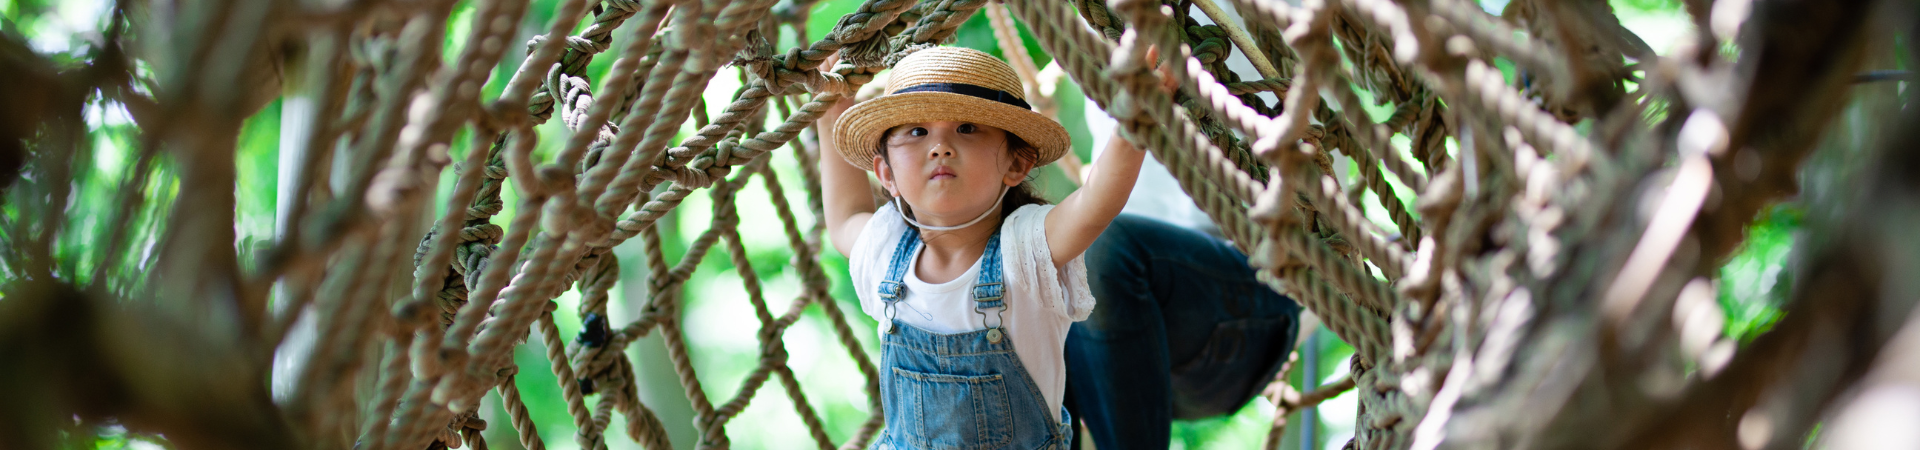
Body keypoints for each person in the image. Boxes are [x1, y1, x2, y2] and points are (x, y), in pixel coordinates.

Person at [818, 46, 1146, 450]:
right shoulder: (886, 253)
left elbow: (1096, 202)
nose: (940, 146)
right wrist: (832, 110)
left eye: (967, 129)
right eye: (918, 132)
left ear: (1016, 164)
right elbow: (846, 215)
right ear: (886, 173)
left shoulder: (1024, 251)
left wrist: (1133, 123)